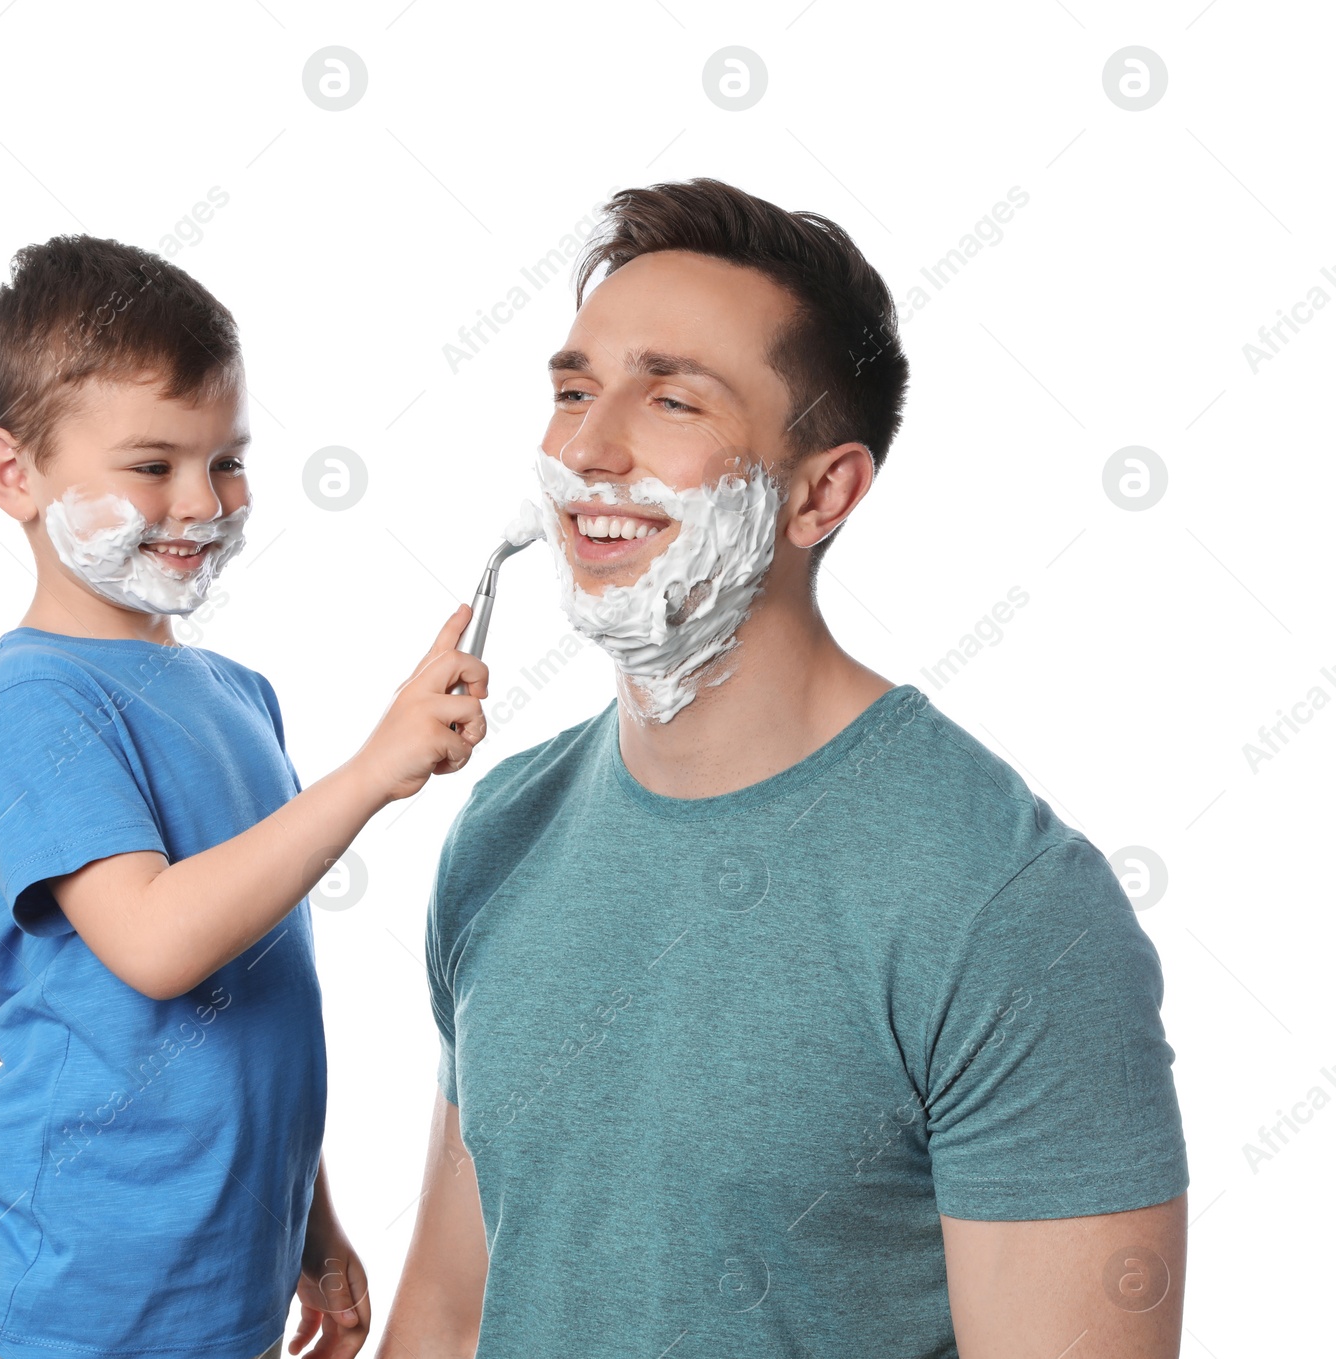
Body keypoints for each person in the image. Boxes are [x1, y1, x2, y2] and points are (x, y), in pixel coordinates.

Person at [379, 179, 1189, 1358]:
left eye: (670, 400)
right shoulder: (503, 828)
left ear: (822, 492)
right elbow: (449, 1321)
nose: (587, 449)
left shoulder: (1006, 908)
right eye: (571, 391)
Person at [0, 235, 488, 1359]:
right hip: (61, 1311)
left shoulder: (241, 696)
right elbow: (157, 946)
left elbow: (253, 995)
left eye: (227, 461)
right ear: (12, 475)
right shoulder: (36, 700)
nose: (202, 501)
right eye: (152, 465)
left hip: (216, 1305)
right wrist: (372, 772)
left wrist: (311, 1230)